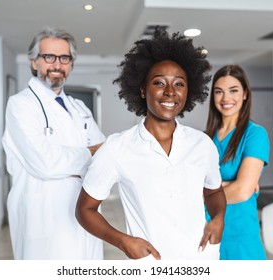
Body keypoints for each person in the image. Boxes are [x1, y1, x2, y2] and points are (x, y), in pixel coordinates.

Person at [75, 28, 226, 260]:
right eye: (159, 83)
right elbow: (84, 210)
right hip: (150, 264)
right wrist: (122, 241)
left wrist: (218, 219)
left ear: (189, 91)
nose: (169, 92)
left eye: (178, 84)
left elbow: (214, 191)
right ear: (143, 90)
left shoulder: (202, 144)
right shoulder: (117, 148)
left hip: (201, 259)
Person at [1, 27, 105, 260]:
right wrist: (88, 154)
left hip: (85, 215)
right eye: (49, 57)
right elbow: (45, 163)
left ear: (71, 64)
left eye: (64, 58)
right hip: (44, 216)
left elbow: (105, 156)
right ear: (34, 62)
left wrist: (72, 160)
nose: (57, 64)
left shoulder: (80, 108)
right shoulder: (20, 105)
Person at [205, 64, 270, 260]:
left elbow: (242, 192)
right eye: (219, 92)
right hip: (207, 235)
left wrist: (202, 193)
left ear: (245, 94)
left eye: (233, 91)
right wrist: (231, 185)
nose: (226, 98)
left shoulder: (255, 134)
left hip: (240, 239)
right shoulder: (204, 139)